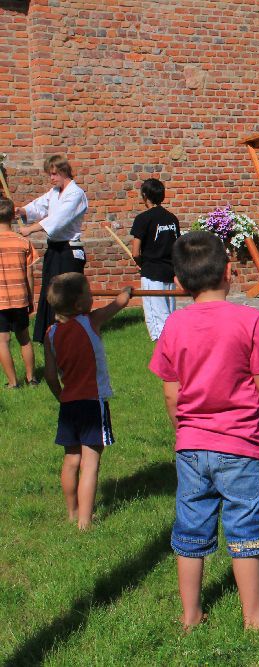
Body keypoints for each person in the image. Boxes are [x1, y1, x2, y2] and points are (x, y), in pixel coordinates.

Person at [149, 231, 259, 635]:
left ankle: (190, 616)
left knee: (191, 529)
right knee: (244, 529)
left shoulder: (173, 326)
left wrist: (184, 429)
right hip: (240, 447)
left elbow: (170, 389)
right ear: (230, 272)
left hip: (191, 447)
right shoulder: (249, 320)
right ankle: (255, 620)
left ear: (178, 283)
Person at [42, 273, 133, 530]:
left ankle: (72, 513)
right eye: (89, 293)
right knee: (90, 462)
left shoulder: (51, 333)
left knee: (71, 459)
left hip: (69, 403)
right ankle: (85, 522)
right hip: (93, 402)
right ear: (80, 305)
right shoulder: (90, 320)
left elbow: (49, 374)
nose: (93, 296)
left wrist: (61, 395)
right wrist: (127, 290)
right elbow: (119, 303)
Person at [15, 155, 89, 343]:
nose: (52, 178)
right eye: (50, 174)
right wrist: (22, 211)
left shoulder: (76, 194)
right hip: (54, 250)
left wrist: (30, 229)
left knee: (66, 293)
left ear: (64, 171)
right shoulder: (54, 192)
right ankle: (50, 332)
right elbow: (39, 206)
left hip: (69, 251)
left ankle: (71, 331)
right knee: (51, 292)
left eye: (54, 174)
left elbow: (59, 220)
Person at [129, 178, 181, 340]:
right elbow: (177, 246)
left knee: (157, 318)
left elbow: (136, 252)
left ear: (145, 195)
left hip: (152, 274)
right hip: (170, 273)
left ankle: (165, 352)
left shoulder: (143, 219)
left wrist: (141, 264)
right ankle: (173, 346)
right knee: (169, 313)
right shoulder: (172, 219)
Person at [0, 197, 38, 388]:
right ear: (12, 216)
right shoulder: (23, 242)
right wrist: (31, 298)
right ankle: (31, 378)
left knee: (2, 341)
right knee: (24, 338)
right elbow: (29, 273)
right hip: (20, 298)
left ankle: (12, 382)